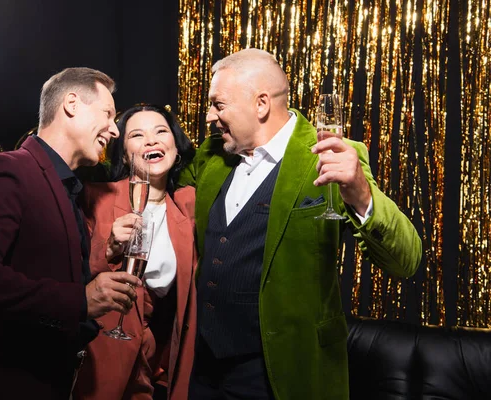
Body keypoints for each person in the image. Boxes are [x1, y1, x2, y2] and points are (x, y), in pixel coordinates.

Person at [177, 48, 422, 399]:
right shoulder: (213, 155)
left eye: (218, 104)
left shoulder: (332, 155)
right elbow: (168, 190)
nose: (209, 117)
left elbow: (406, 260)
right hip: (204, 372)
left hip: (283, 375)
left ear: (261, 104)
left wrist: (361, 193)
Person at [0, 67, 142, 400]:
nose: (114, 129)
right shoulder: (10, 168)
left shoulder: (69, 189)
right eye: (108, 115)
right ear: (71, 104)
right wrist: (80, 299)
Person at [74, 104, 197, 400]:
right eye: (138, 135)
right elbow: (68, 273)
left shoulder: (188, 205)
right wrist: (109, 247)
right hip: (101, 353)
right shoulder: (96, 197)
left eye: (161, 132)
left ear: (176, 148)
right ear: (125, 154)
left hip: (156, 363)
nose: (152, 141)